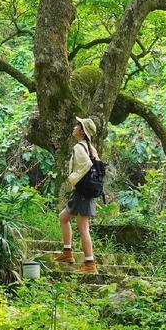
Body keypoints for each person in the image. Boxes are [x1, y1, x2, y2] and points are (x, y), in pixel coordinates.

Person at [55, 116, 100, 274]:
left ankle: (89, 263)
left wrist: (73, 178)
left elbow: (86, 165)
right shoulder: (90, 147)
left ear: (82, 131)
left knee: (83, 227)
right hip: (86, 191)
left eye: (77, 125)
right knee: (64, 218)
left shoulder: (80, 147)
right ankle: (67, 252)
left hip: (82, 191)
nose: (74, 127)